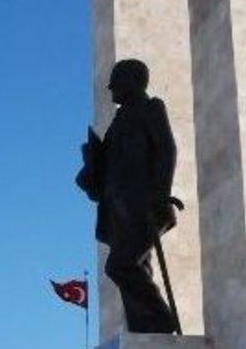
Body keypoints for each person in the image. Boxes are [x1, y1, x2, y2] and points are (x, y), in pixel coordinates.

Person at [75, 58, 179, 333]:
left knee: (120, 265)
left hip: (144, 206)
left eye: (116, 81)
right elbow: (108, 165)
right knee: (138, 267)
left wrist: (160, 193)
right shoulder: (119, 119)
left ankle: (161, 321)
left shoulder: (150, 107)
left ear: (132, 81)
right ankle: (142, 330)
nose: (110, 88)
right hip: (118, 209)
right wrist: (91, 170)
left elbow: (166, 150)